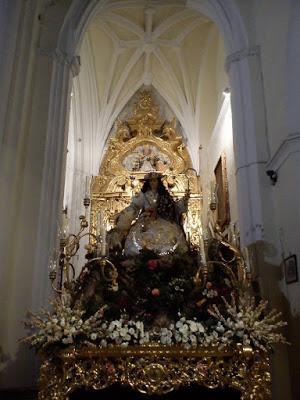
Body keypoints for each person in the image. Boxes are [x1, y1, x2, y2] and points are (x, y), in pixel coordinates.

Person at [109, 172, 189, 256]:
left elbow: (173, 207)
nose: (152, 183)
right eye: (150, 181)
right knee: (137, 237)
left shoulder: (163, 195)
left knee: (170, 234)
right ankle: (141, 256)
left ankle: (165, 257)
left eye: (154, 181)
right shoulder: (143, 195)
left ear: (158, 182)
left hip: (161, 220)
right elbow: (134, 207)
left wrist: (183, 201)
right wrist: (123, 216)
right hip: (145, 220)